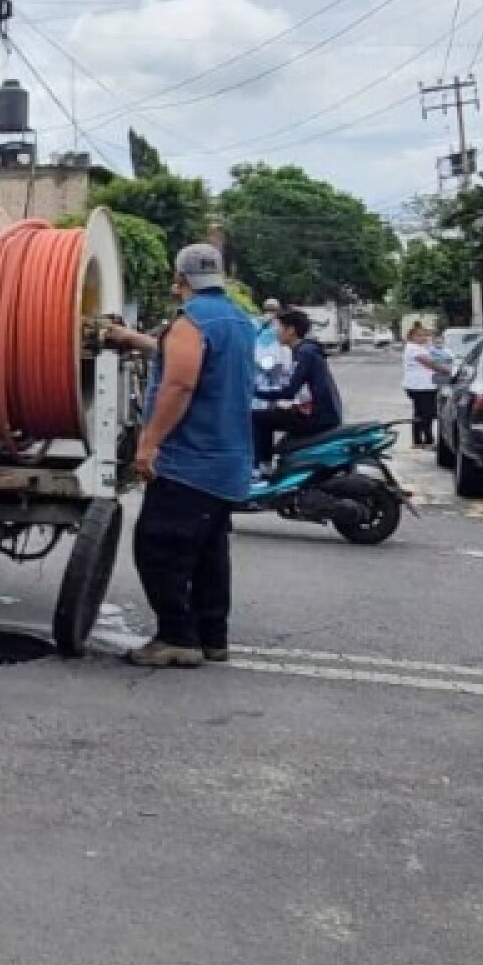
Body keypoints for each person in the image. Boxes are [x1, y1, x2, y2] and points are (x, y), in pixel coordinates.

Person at [96, 243, 257, 668]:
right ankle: (211, 637)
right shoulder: (239, 321)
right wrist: (131, 339)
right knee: (208, 552)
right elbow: (193, 360)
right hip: (227, 462)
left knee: (157, 546)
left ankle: (177, 637)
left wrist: (148, 444)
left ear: (180, 279)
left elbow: (179, 384)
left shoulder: (192, 321)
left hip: (191, 462)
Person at [250, 308, 343, 468]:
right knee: (272, 414)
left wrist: (253, 391)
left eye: (278, 327)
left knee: (256, 418)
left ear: (291, 330)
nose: (275, 332)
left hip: (317, 417)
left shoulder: (304, 353)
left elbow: (289, 390)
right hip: (318, 412)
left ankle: (262, 467)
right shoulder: (304, 350)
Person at [399, 323, 450, 447]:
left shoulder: (420, 347)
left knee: (421, 413)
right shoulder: (413, 348)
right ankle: (427, 440)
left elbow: (436, 354)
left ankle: (419, 440)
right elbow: (430, 363)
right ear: (411, 337)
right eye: (419, 335)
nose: (423, 338)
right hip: (420, 387)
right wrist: (448, 371)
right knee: (426, 414)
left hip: (422, 386)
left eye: (425, 335)